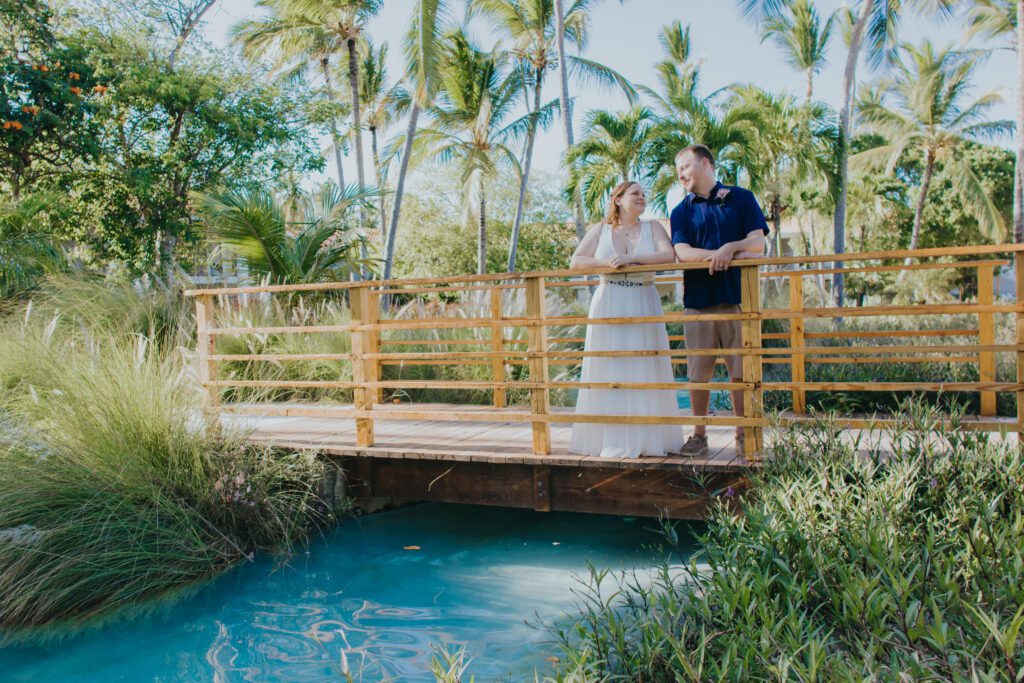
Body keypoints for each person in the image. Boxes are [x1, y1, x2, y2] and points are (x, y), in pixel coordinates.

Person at [568, 181, 684, 458]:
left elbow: (668, 256)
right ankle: (607, 437)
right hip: (610, 301)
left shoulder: (654, 227)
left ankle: (649, 438)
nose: (642, 198)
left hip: (644, 299)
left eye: (644, 195)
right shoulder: (600, 230)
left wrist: (633, 261)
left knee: (645, 363)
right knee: (611, 365)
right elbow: (576, 261)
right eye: (636, 194)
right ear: (617, 199)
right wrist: (608, 265)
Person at [670, 144, 768, 456]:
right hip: (698, 301)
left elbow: (758, 244)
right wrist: (718, 254)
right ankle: (699, 434)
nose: (681, 174)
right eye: (678, 171)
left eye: (685, 166)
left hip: (737, 297)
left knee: (740, 368)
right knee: (698, 371)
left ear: (705, 163)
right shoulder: (680, 212)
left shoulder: (741, 198)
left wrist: (732, 246)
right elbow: (682, 252)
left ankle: (742, 433)